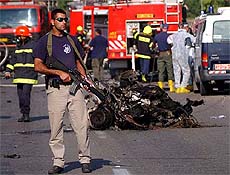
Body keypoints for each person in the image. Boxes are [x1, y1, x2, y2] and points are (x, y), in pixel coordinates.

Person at [33, 9, 92, 174]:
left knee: (82, 124)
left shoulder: (71, 40)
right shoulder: (44, 42)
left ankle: (85, 159)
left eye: (65, 19)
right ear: (52, 22)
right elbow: (38, 66)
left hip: (75, 88)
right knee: (56, 126)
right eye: (60, 19)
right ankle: (58, 162)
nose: (63, 22)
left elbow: (78, 61)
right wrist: (59, 72)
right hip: (56, 88)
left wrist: (84, 79)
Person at [5, 26, 38, 122]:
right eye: (19, 36)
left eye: (21, 36)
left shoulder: (33, 45)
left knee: (25, 95)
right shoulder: (18, 47)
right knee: (20, 97)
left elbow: (38, 59)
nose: (19, 37)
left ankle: (27, 114)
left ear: (27, 36)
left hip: (29, 75)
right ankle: (23, 113)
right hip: (19, 76)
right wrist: (8, 71)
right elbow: (13, 61)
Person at [167, 22, 195, 93]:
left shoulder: (174, 35)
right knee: (186, 71)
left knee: (176, 70)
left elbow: (168, 40)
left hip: (174, 55)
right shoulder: (187, 35)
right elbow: (195, 41)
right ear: (186, 28)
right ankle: (183, 86)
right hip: (183, 55)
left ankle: (177, 86)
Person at [153, 23, 175, 92]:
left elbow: (153, 45)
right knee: (169, 70)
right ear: (167, 28)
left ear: (161, 28)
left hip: (160, 54)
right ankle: (171, 87)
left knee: (160, 70)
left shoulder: (157, 36)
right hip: (167, 53)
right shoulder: (169, 36)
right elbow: (172, 44)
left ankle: (160, 87)